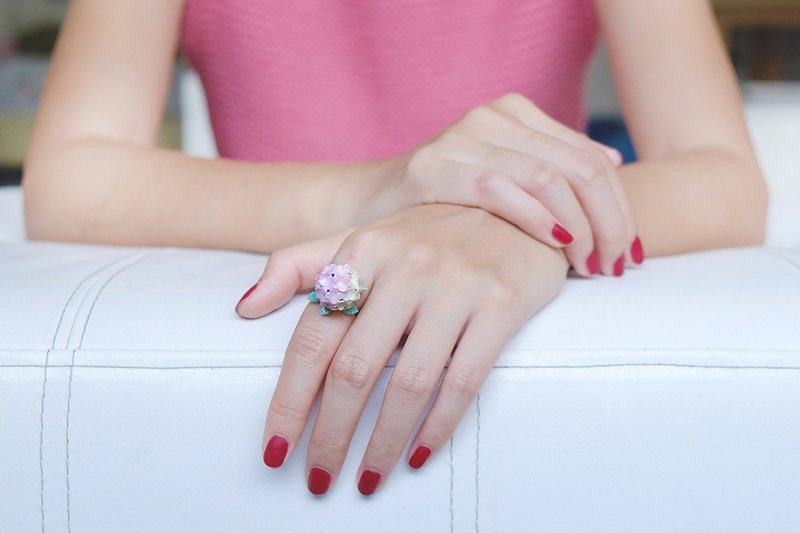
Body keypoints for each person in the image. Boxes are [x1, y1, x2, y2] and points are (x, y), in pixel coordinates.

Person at [23, 0, 768, 497]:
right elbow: (67, 178)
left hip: (525, 351)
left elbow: (726, 177)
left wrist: (512, 222)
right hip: (291, 341)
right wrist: (380, 190)